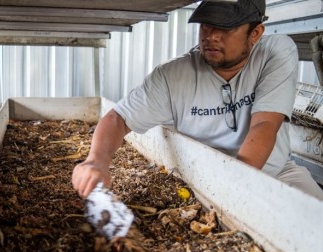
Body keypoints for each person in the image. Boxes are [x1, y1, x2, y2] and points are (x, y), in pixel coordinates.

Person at [72, 0, 323, 200]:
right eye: (206, 25)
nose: (211, 36)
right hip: (204, 183)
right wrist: (97, 160)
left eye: (226, 27)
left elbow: (265, 124)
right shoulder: (173, 76)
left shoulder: (274, 52)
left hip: (275, 172)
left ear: (255, 33)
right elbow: (119, 118)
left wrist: (238, 192)